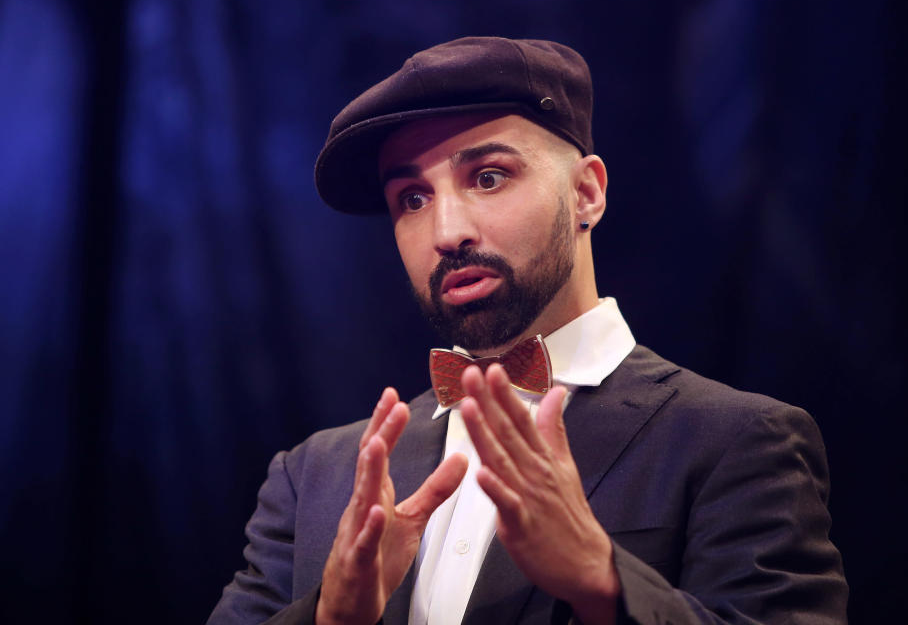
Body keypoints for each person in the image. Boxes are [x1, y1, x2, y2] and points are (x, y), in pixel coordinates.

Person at [207, 37, 848, 625]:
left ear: (587, 194)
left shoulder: (737, 442)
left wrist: (603, 581)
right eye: (411, 198)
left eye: (488, 177)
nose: (446, 232)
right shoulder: (312, 476)